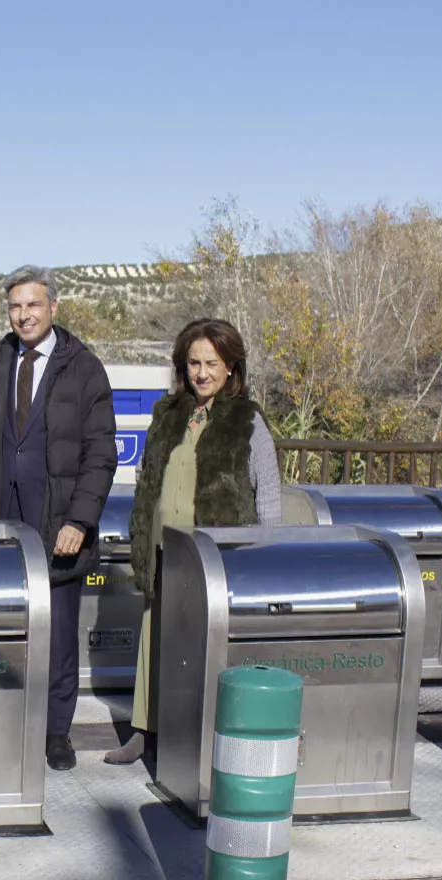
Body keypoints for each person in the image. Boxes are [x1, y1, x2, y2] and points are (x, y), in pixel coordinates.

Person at [104, 318, 280, 765]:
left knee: (203, 646)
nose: (202, 373)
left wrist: (262, 555)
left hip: (215, 559)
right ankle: (145, 732)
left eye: (212, 364)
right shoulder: (167, 415)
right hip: (165, 551)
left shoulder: (248, 421)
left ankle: (199, 736)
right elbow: (148, 480)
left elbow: (269, 492)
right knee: (156, 640)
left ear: (231, 367)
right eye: (194, 363)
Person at [0, 265, 117, 771]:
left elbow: (100, 455)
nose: (24, 315)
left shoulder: (85, 368)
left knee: (57, 636)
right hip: (2, 520)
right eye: (15, 306)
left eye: (33, 305)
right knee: (7, 628)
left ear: (54, 307)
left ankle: (55, 732)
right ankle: (5, 723)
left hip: (59, 525)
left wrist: (80, 519)